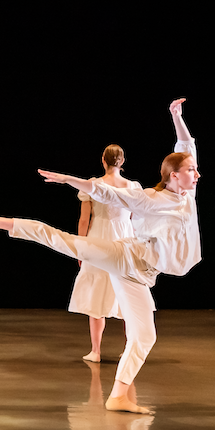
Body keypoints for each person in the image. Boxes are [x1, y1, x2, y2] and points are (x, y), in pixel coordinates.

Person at [0, 98, 200, 414]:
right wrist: (70, 180)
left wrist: (176, 117)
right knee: (65, 242)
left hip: (141, 275)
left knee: (144, 335)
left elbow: (186, 145)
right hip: (124, 256)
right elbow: (107, 193)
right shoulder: (150, 199)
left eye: (194, 169)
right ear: (173, 176)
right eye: (190, 170)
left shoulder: (187, 194)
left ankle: (117, 396)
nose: (196, 174)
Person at [70, 145, 143, 363]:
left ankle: (96, 350)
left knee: (97, 291)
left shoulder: (93, 186)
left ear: (104, 161)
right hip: (125, 239)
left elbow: (84, 220)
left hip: (99, 238)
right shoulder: (132, 187)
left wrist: (79, 248)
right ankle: (129, 348)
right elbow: (137, 220)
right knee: (128, 293)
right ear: (122, 162)